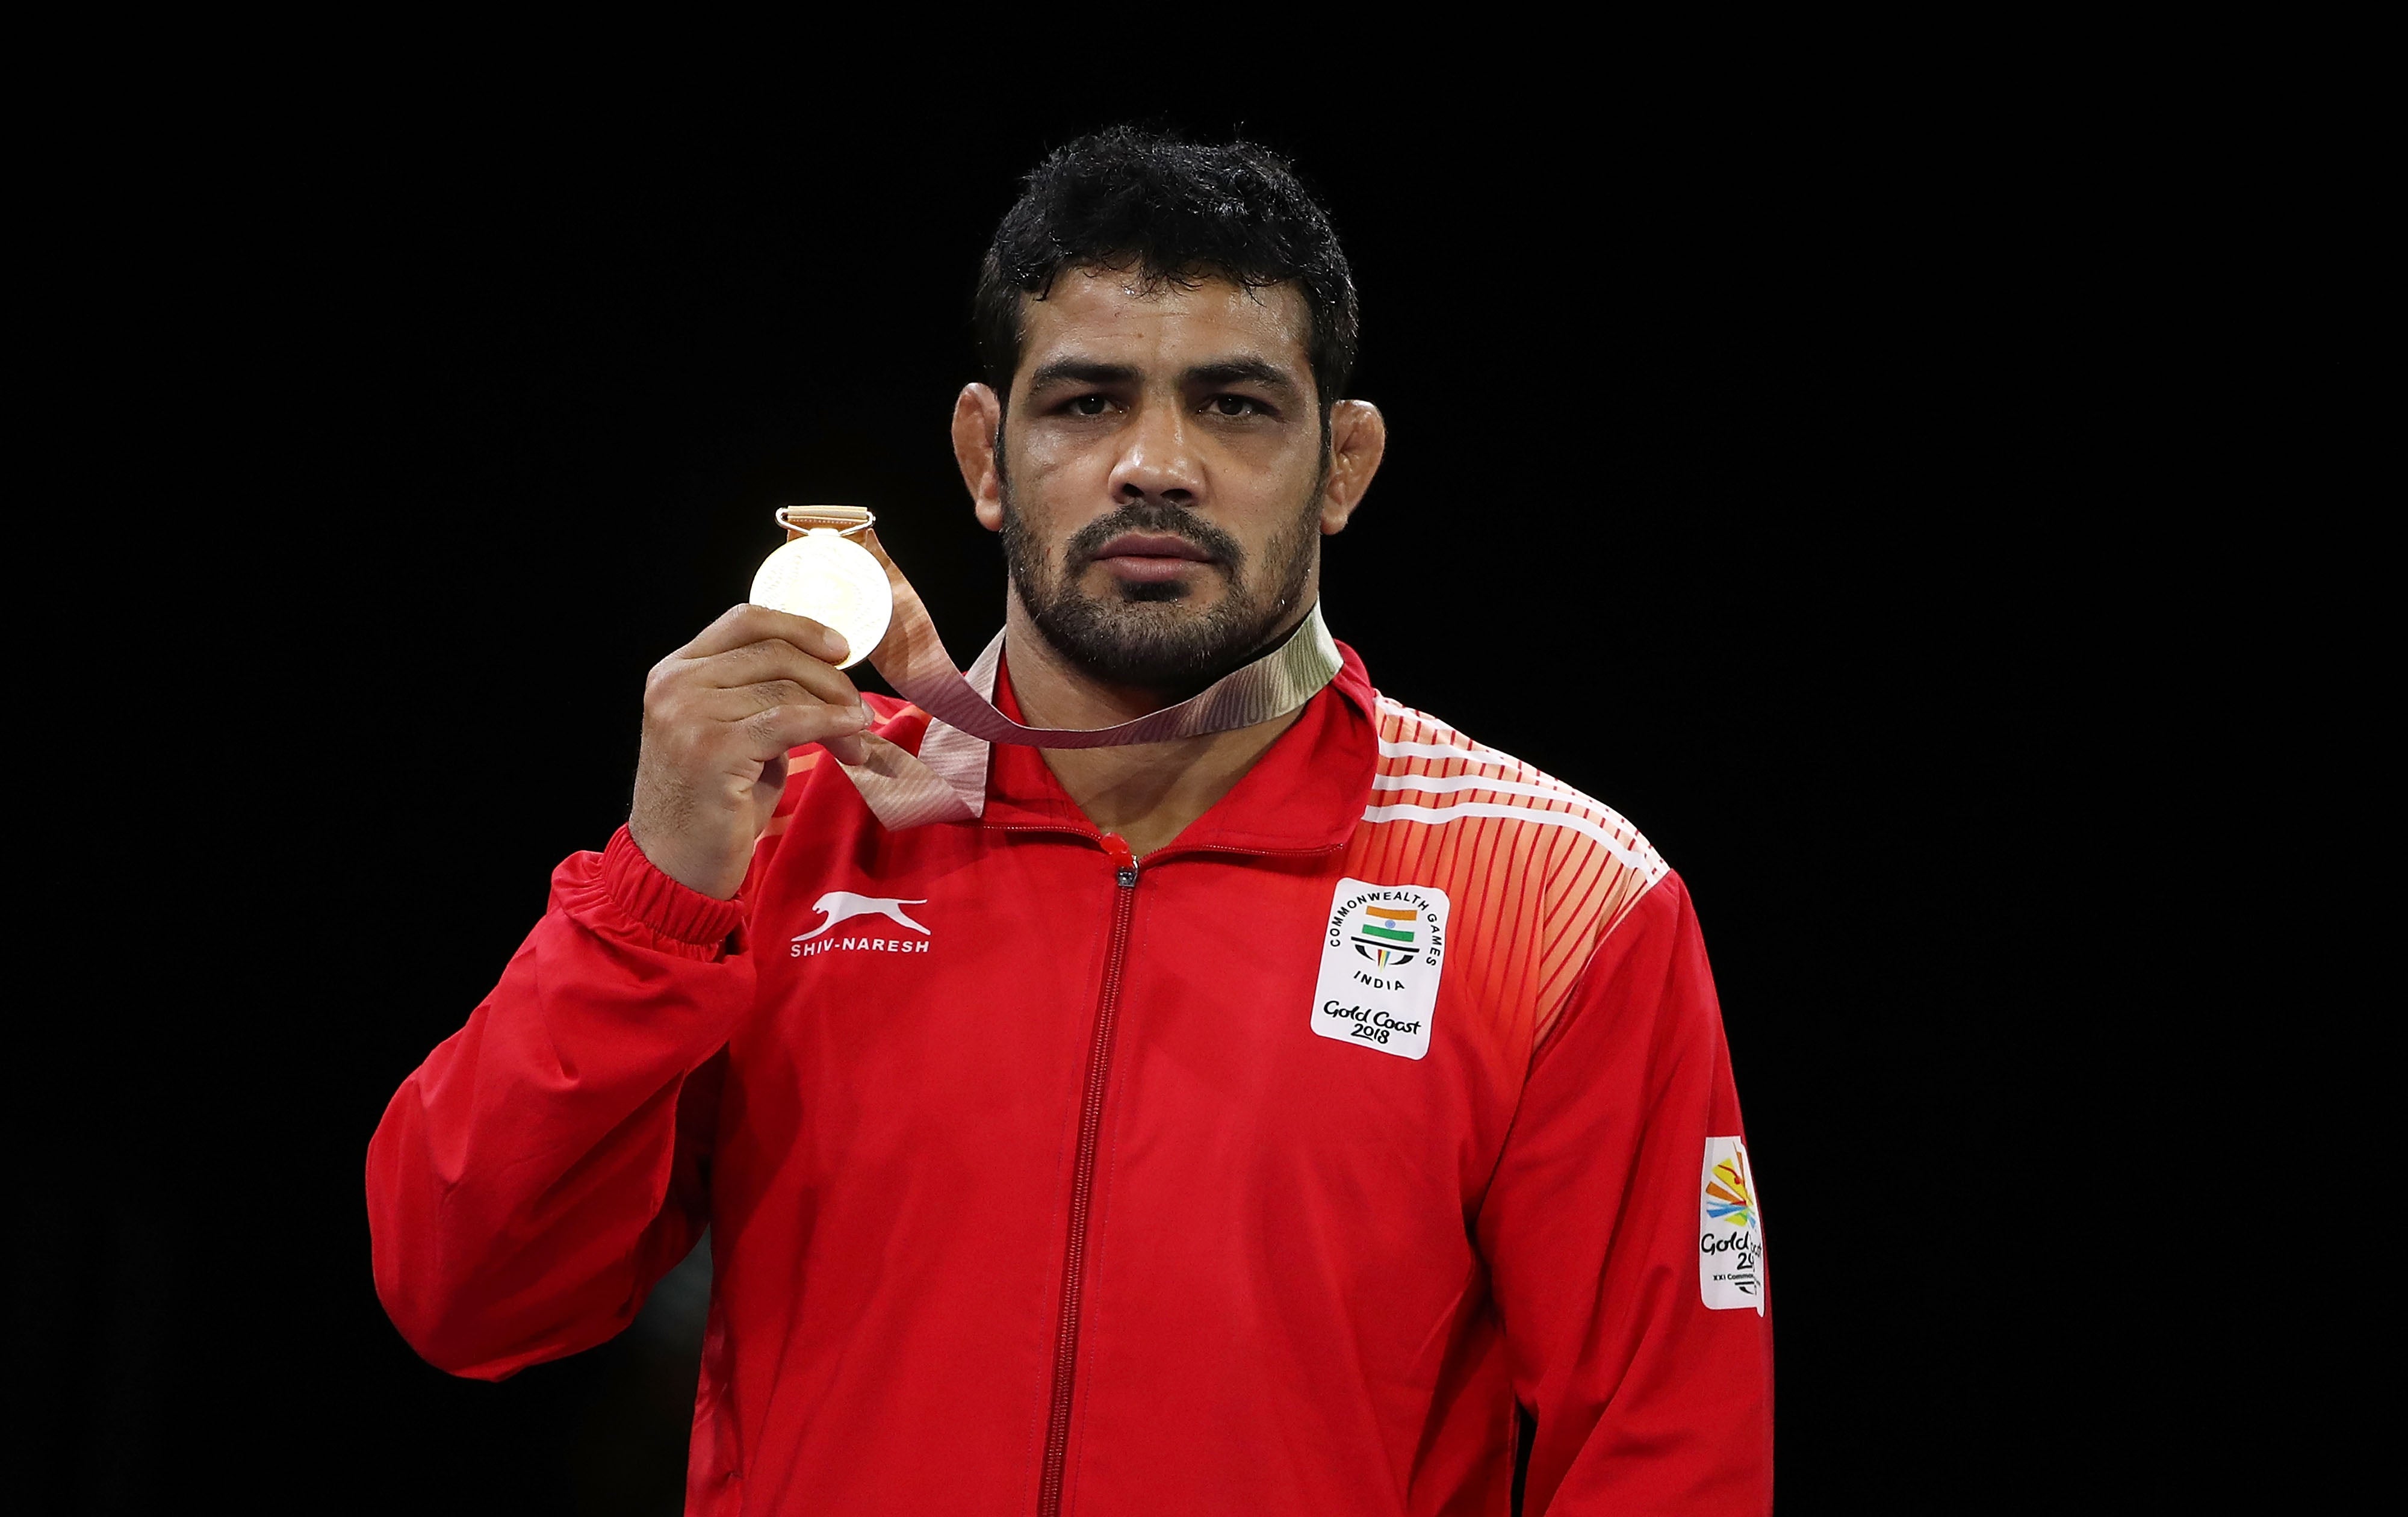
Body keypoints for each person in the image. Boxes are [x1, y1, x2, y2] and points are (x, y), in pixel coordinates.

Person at [367, 126, 1773, 1516]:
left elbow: (1669, 1460)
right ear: (985, 453)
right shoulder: (784, 841)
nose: (1154, 464)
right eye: (1087, 401)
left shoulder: (1559, 899)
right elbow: (466, 1295)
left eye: (1232, 405)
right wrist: (658, 896)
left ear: (1342, 464)